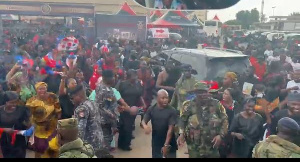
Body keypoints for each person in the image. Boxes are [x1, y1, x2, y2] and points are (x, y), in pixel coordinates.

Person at [177, 82, 228, 158]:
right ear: (196, 93)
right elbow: (182, 120)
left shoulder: (216, 104)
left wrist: (220, 136)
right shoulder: (189, 105)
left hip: (212, 145)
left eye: (204, 92)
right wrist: (181, 134)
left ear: (207, 92)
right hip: (195, 146)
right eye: (199, 92)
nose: (202, 95)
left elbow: (225, 120)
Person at [68, 85, 107, 156]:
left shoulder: (81, 108)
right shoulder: (93, 103)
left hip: (89, 143)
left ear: (79, 96)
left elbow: (80, 129)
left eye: (72, 98)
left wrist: (75, 146)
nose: (72, 101)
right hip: (99, 139)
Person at [26, 82, 62, 158]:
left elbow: (58, 111)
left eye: (44, 88)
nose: (42, 90)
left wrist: (58, 124)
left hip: (52, 128)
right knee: (39, 150)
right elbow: (29, 116)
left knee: (53, 149)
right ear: (36, 90)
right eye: (40, 89)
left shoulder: (52, 97)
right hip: (39, 130)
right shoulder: (32, 101)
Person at [142, 89, 178, 158]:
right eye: (163, 98)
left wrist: (166, 145)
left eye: (167, 98)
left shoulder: (172, 110)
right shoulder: (152, 109)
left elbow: (170, 129)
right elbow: (144, 120)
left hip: (169, 141)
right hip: (156, 141)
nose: (165, 100)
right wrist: (145, 126)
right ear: (157, 98)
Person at [117, 69, 146, 151]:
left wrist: (143, 103)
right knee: (123, 127)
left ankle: (126, 145)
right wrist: (120, 106)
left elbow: (139, 95)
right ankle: (121, 144)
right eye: (134, 75)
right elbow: (117, 95)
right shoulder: (122, 84)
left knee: (129, 126)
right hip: (122, 108)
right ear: (129, 76)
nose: (136, 77)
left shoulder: (138, 84)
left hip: (133, 108)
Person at [0, 91, 30, 158]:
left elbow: (28, 124)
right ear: (5, 102)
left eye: (16, 102)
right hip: (4, 141)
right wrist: (4, 129)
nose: (14, 104)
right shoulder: (0, 111)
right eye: (11, 102)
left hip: (19, 141)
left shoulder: (22, 110)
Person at [95, 70, 119, 150]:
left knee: (107, 139)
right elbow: (102, 107)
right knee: (105, 141)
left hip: (105, 119)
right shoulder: (105, 91)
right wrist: (113, 116)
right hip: (105, 120)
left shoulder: (102, 87)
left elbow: (108, 103)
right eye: (113, 77)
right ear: (108, 78)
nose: (114, 79)